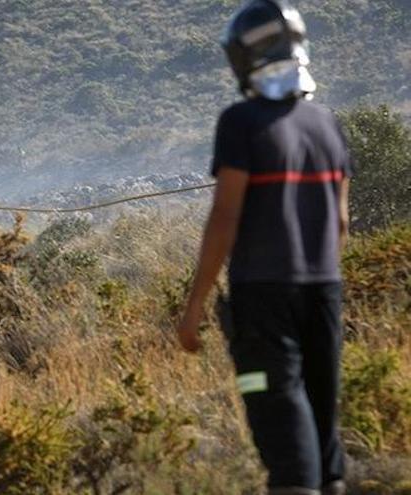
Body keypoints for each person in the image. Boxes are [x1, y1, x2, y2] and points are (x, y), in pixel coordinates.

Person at [175, 2, 352, 494]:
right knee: (323, 434)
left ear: (244, 59)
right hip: (324, 291)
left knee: (281, 428)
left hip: (263, 297)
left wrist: (194, 308)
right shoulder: (327, 125)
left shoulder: (241, 122)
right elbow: (339, 221)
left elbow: (225, 218)